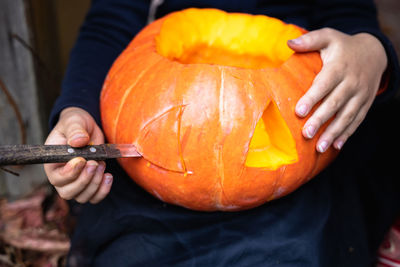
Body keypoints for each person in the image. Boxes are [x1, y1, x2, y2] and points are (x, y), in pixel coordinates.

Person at [44, 0, 400, 266]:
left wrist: (372, 52)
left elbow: (350, 18)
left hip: (302, 131)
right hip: (153, 155)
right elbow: (107, 26)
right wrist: (76, 110)